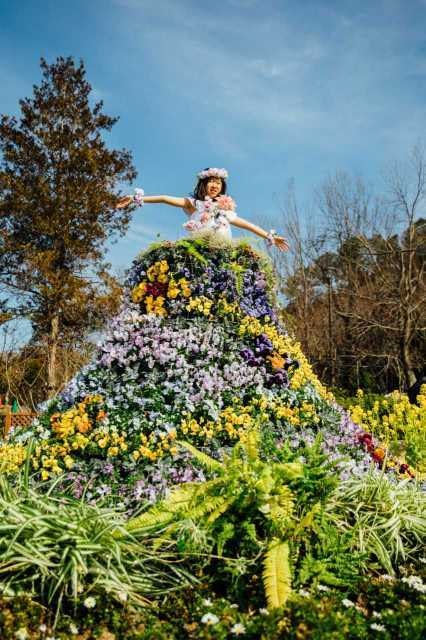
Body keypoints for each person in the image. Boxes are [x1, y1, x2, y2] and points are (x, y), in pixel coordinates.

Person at [116, 167, 289, 251]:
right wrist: (134, 198)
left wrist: (269, 235)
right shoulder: (194, 204)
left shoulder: (225, 209)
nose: (215, 185)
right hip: (199, 250)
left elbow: (246, 225)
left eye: (218, 182)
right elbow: (164, 198)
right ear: (204, 184)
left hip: (223, 251)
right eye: (211, 181)